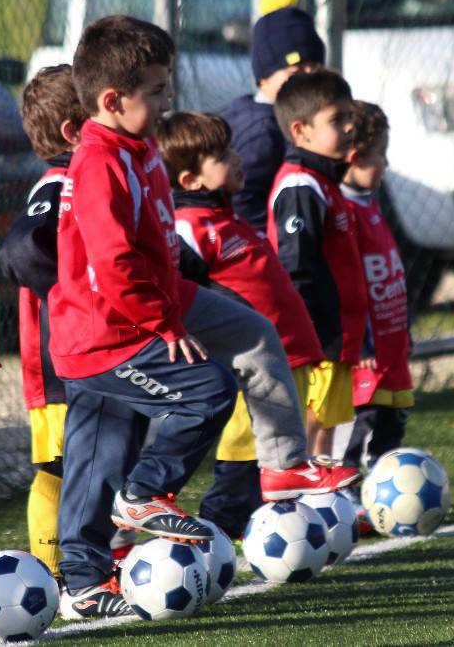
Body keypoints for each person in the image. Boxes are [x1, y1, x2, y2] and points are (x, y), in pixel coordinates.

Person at [49, 16, 360, 619]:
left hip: (158, 301)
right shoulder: (96, 163)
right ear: (113, 100)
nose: (169, 103)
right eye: (158, 92)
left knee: (252, 334)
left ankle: (285, 468)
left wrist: (175, 300)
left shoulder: (135, 147)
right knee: (196, 397)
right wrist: (163, 324)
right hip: (107, 332)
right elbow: (113, 264)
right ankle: (130, 512)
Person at [155, 110, 327, 539]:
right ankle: (208, 539)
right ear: (191, 181)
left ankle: (274, 541)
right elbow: (180, 291)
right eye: (221, 156)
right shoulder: (189, 229)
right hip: (251, 371)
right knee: (241, 471)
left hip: (286, 361)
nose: (236, 159)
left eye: (231, 149)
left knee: (270, 473)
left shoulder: (228, 219)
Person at [0, 65, 136, 577]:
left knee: (98, 457)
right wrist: (72, 287)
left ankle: (99, 550)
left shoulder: (87, 177)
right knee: (57, 467)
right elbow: (19, 251)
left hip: (89, 352)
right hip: (57, 363)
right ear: (73, 133)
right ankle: (52, 572)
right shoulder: (56, 184)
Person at [267, 69, 370, 459]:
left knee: (325, 424)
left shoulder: (323, 180)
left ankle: (320, 500)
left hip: (334, 337)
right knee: (312, 423)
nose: (349, 128)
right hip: (315, 339)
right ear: (301, 130)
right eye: (336, 120)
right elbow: (295, 265)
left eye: (350, 117)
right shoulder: (300, 186)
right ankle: (304, 500)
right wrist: (308, 330)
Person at [338, 101, 414, 483]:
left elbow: (389, 273)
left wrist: (405, 330)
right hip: (368, 353)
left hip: (392, 343)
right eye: (378, 155)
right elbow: (346, 280)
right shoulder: (343, 211)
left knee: (392, 422)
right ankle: (349, 493)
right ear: (353, 158)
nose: (384, 163)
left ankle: (383, 492)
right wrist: (361, 342)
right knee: (360, 424)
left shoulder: (370, 203)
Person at [223, 3, 324, 232]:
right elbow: (243, 199)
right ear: (264, 77)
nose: (307, 79)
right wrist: (274, 237)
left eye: (315, 69)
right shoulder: (263, 131)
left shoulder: (271, 117)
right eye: (296, 71)